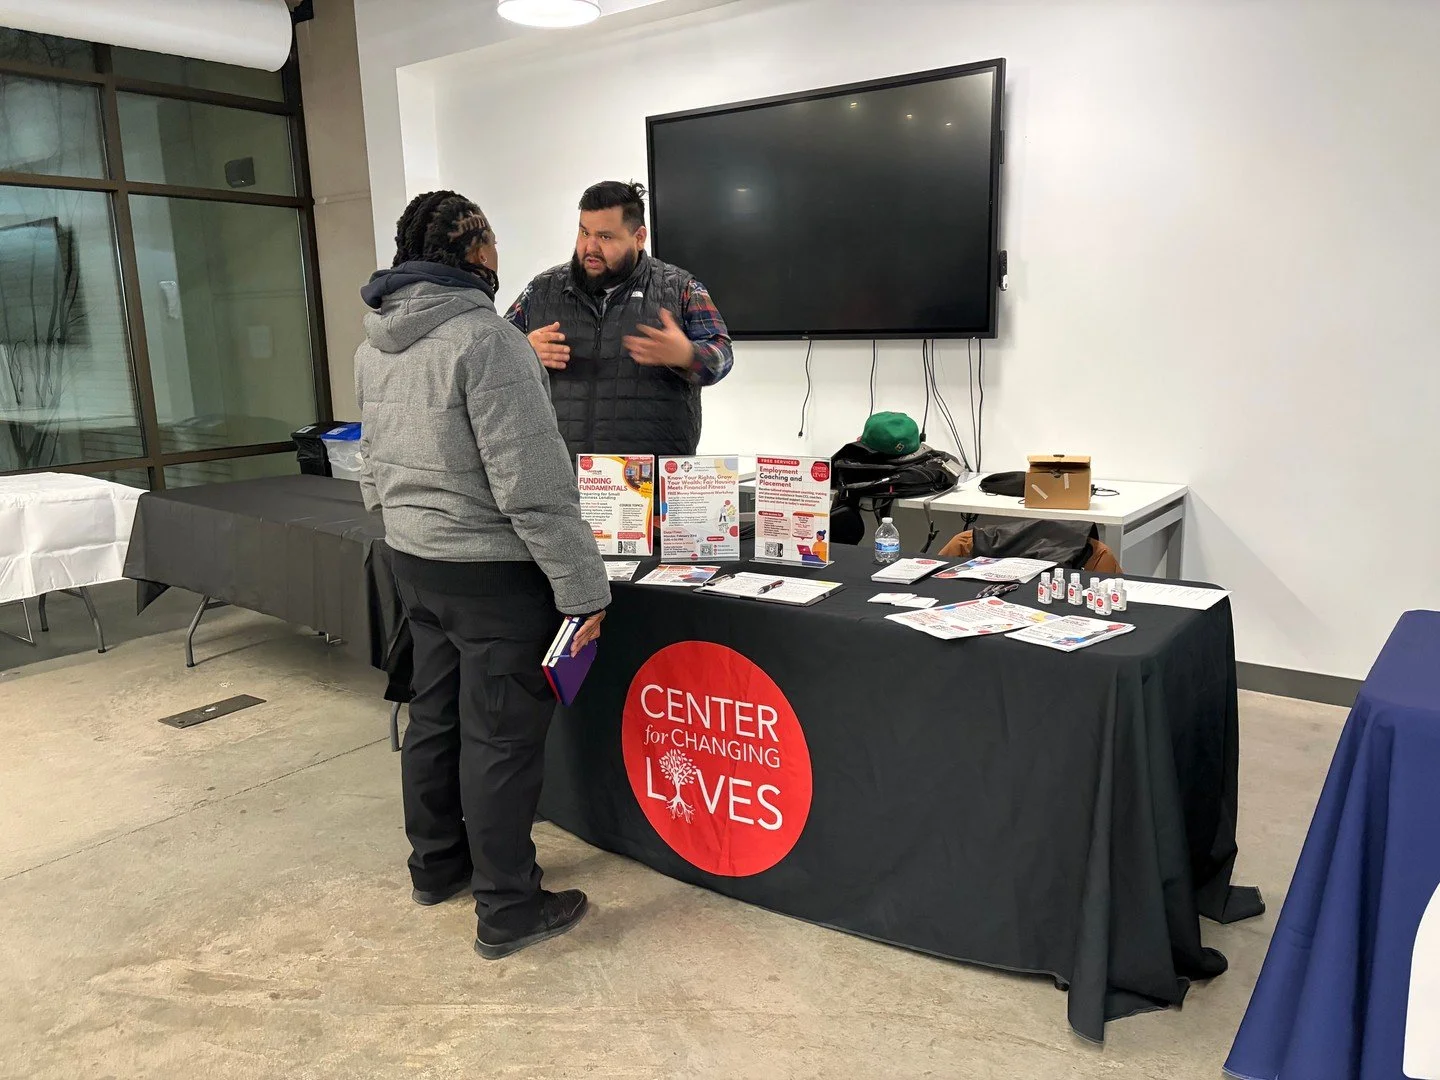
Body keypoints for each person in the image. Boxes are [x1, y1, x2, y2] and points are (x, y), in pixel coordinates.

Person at [355, 190, 610, 960]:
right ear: (475, 252)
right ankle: (508, 905)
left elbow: (372, 458)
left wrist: (400, 524)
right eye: (494, 241)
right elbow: (533, 486)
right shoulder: (488, 341)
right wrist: (584, 590)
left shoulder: (376, 343)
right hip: (493, 577)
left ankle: (437, 867)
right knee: (500, 740)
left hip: (415, 561)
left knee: (435, 719)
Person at [505, 180, 734, 461]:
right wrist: (523, 351)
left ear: (639, 237)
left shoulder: (681, 288)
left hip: (651, 485)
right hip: (561, 482)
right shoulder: (542, 290)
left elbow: (722, 355)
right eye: (583, 232)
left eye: (605, 237)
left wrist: (688, 355)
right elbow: (493, 359)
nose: (589, 247)